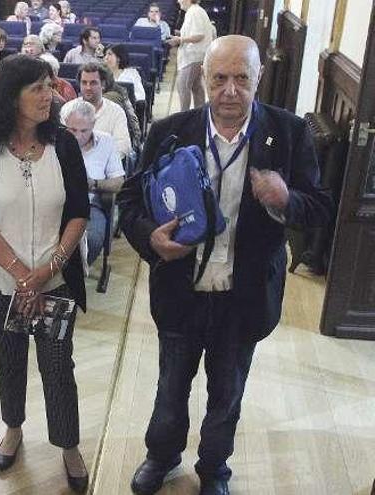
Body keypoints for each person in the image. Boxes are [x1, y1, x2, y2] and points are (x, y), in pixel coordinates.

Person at [117, 35, 332, 495]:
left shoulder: (289, 133)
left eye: (241, 79)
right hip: (180, 290)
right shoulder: (170, 131)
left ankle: (214, 468)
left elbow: (319, 206)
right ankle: (161, 455)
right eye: (220, 78)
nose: (230, 90)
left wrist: (287, 199)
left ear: (259, 79)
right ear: (205, 79)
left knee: (227, 395)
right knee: (170, 389)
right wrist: (149, 239)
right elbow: (130, 199)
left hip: (245, 295)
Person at [0, 53, 89, 494]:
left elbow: (79, 211)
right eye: (37, 88)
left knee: (58, 368)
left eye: (50, 87)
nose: (49, 96)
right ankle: (13, 429)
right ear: (10, 96)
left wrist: (47, 270)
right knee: (10, 362)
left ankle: (68, 445)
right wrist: (20, 274)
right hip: (4, 286)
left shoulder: (64, 145)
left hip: (54, 286)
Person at [60, 99, 123, 266]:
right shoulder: (56, 141)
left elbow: (118, 182)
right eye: (72, 130)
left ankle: (76, 272)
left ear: (93, 124)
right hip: (57, 202)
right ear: (65, 123)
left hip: (91, 204)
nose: (78, 136)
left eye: (84, 131)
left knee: (93, 240)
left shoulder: (106, 141)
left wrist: (94, 183)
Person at [75, 63, 131, 159]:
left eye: (93, 83)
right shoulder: (68, 109)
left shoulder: (116, 112)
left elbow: (123, 146)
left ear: (103, 85)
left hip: (105, 166)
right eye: (84, 83)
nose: (88, 87)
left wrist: (99, 159)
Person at [168, 0, 214, 111]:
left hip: (194, 56)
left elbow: (199, 35)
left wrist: (180, 39)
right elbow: (194, 33)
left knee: (183, 86)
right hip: (197, 56)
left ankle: (185, 117)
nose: (178, 1)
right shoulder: (195, 11)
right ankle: (200, 115)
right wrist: (180, 34)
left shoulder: (194, 12)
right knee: (196, 87)